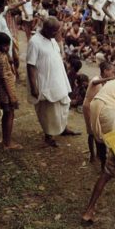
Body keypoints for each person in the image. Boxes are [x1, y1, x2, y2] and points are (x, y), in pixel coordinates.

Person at [27, 17, 77, 148]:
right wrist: (33, 86)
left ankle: (63, 128)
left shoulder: (53, 39)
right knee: (48, 111)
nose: (57, 34)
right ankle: (48, 136)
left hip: (58, 80)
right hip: (45, 81)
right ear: (47, 29)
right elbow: (30, 65)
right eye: (55, 31)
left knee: (63, 105)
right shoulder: (34, 42)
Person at [0, 32, 22, 150]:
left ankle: (5, 139)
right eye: (6, 45)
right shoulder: (2, 58)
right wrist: (12, 97)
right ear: (2, 45)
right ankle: (7, 143)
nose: (8, 48)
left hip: (0, 91)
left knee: (6, 114)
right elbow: (5, 78)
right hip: (6, 92)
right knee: (10, 114)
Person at [83, 62, 115, 162]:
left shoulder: (104, 82)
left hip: (96, 107)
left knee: (98, 131)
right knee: (91, 132)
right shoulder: (96, 79)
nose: (113, 73)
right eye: (111, 71)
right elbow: (94, 83)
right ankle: (92, 154)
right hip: (88, 107)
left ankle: (99, 153)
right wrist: (109, 79)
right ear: (105, 71)